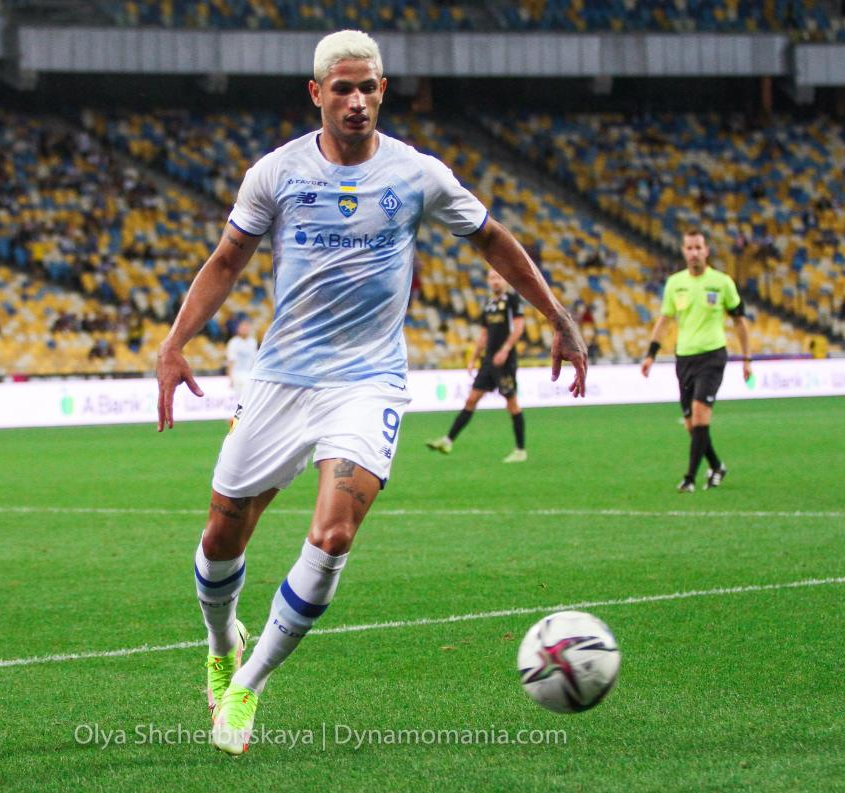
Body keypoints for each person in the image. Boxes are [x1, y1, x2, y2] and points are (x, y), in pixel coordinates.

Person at [155, 29, 587, 756]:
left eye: (368, 88)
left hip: (368, 382)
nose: (356, 101)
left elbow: (492, 238)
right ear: (316, 93)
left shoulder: (417, 174)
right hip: (281, 379)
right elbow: (227, 260)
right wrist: (174, 343)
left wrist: (558, 315)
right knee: (221, 535)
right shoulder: (276, 173)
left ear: (383, 91)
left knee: (333, 535)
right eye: (342, 88)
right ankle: (222, 643)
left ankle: (248, 686)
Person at [640, 229, 751, 493]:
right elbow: (665, 320)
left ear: (706, 251)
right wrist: (651, 354)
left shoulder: (722, 282)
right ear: (683, 251)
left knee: (700, 414)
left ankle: (689, 478)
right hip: (684, 357)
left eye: (698, 247)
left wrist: (747, 358)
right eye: (689, 248)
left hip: (712, 355)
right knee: (691, 423)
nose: (694, 253)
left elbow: (739, 321)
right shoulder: (674, 283)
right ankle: (717, 466)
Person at [426, 269, 529, 462]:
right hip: (488, 361)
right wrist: (474, 357)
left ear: (505, 281)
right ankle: (448, 440)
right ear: (488, 281)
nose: (495, 281)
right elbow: (484, 335)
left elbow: (519, 328)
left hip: (505, 361)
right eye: (492, 278)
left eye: (499, 277)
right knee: (471, 400)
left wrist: (505, 350)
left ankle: (520, 450)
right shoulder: (488, 304)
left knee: (512, 403)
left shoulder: (512, 300)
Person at [225, 317, 258, 402]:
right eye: (243, 326)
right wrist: (230, 377)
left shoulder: (253, 342)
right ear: (238, 328)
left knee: (249, 399)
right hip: (237, 374)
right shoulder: (233, 342)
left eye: (247, 326)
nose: (245, 329)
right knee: (239, 399)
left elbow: (254, 360)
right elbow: (230, 361)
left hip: (248, 374)